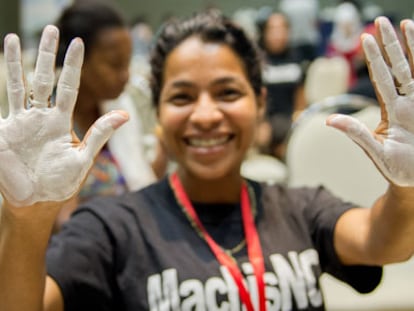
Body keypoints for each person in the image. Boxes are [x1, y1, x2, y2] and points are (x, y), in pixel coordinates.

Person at [1, 10, 414, 311]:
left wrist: (407, 189)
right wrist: (29, 219)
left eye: (227, 93)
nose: (204, 115)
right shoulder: (115, 228)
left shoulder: (300, 209)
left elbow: (384, 242)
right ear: (158, 115)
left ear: (260, 103)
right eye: (181, 97)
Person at [51, 0, 167, 229]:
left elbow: (137, 182)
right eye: (115, 65)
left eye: (127, 63)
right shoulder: (51, 125)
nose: (125, 75)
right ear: (77, 62)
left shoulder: (116, 109)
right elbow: (59, 222)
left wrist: (165, 153)